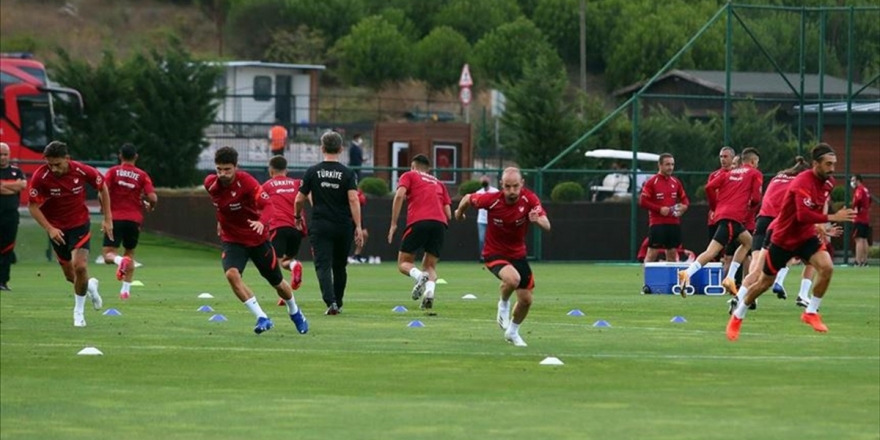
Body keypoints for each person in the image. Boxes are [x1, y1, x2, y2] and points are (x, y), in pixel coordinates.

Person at [726, 143, 856, 341]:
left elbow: (814, 209)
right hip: (783, 238)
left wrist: (820, 226)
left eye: (834, 164)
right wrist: (832, 217)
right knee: (764, 282)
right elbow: (802, 215)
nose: (832, 168)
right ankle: (738, 314)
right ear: (816, 164)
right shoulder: (801, 182)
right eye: (828, 164)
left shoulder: (829, 183)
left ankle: (810, 312)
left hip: (805, 237)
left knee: (827, 267)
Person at [205, 146, 308, 335]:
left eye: (227, 169)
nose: (222, 174)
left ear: (236, 167)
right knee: (232, 275)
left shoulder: (247, 182)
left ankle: (295, 311)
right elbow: (221, 206)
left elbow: (268, 205)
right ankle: (262, 317)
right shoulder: (210, 184)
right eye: (219, 169)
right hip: (232, 239)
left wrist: (262, 222)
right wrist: (220, 221)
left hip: (257, 239)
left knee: (277, 283)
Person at [454, 167, 551, 347]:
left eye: (515, 186)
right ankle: (503, 303)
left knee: (526, 300)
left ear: (522, 184)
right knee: (513, 279)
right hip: (494, 252)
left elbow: (547, 225)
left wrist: (537, 220)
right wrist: (459, 213)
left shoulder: (529, 199)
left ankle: (512, 332)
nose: (511, 191)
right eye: (507, 187)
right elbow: (468, 198)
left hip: (518, 254)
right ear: (501, 185)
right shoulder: (491, 200)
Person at [27, 141, 109, 327]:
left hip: (79, 225)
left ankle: (78, 313)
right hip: (57, 230)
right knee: (71, 276)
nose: (54, 168)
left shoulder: (81, 170)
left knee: (80, 267)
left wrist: (108, 218)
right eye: (50, 164)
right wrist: (50, 228)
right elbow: (33, 206)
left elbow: (102, 186)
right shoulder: (41, 177)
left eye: (57, 164)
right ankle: (91, 287)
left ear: (67, 158)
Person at [726, 156, 811, 313]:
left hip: (762, 221)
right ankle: (802, 294)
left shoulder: (776, 178)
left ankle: (739, 297)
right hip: (779, 224)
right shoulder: (799, 183)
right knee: (810, 258)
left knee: (756, 268)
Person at [294, 131, 364, 315]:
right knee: (340, 266)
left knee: (323, 265)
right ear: (341, 149)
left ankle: (330, 302)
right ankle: (338, 303)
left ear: (322, 148)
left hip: (320, 225)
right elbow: (353, 199)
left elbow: (299, 199)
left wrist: (297, 217)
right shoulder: (348, 173)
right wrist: (358, 226)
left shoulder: (312, 171)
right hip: (343, 225)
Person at [679, 147, 762, 297]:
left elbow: (709, 187)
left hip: (726, 216)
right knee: (712, 252)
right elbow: (756, 198)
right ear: (753, 161)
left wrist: (715, 207)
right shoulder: (755, 173)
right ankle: (687, 273)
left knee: (748, 242)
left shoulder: (728, 174)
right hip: (733, 217)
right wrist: (749, 205)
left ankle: (730, 278)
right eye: (757, 162)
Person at [387, 154, 452, 314]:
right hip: (440, 224)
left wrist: (393, 223)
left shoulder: (409, 175)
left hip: (419, 221)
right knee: (430, 266)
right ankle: (429, 291)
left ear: (412, 166)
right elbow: (449, 214)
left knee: (403, 263)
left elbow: (399, 195)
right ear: (428, 169)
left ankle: (419, 276)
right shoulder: (439, 183)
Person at [101, 143, 158, 300]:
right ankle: (125, 291)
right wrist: (151, 206)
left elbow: (101, 192)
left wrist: (105, 212)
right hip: (134, 220)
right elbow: (153, 197)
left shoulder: (113, 172)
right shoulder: (142, 175)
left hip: (115, 218)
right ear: (136, 157)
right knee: (130, 253)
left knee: (107, 255)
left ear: (120, 155)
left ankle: (119, 260)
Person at [261, 155, 306, 292]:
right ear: (286, 170)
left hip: (278, 226)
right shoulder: (297, 183)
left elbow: (259, 205)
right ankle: (294, 265)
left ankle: (285, 293)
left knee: (276, 263)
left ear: (271, 171)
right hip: (296, 227)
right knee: (288, 260)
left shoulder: (267, 186)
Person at [639, 153, 689, 262]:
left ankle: (670, 274)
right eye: (667, 164)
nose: (670, 167)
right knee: (652, 254)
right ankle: (647, 274)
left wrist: (684, 207)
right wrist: (659, 209)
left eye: (672, 164)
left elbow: (684, 199)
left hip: (673, 223)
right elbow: (643, 201)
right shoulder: (652, 182)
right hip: (657, 223)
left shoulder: (676, 182)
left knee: (672, 254)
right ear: (660, 165)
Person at [0, 142, 27, 291]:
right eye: (0, 155)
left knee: (7, 248)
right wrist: (13, 186)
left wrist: (4, 185)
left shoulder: (17, 171)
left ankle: (3, 281)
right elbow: (15, 187)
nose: (3, 157)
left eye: (5, 154)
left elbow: (22, 186)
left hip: (11, 216)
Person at [707, 146, 736, 259]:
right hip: (715, 217)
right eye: (721, 157)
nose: (722, 159)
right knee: (713, 253)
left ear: (732, 158)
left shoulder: (737, 175)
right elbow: (709, 191)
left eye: (725, 156)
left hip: (731, 216)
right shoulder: (714, 175)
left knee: (731, 253)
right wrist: (714, 209)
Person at [474, 175, 499, 260]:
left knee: (494, 239)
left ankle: (494, 255)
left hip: (493, 220)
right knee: (482, 239)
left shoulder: (495, 191)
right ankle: (483, 256)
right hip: (482, 220)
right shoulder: (478, 192)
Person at [851, 174, 872, 267]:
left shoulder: (859, 190)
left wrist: (856, 209)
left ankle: (858, 261)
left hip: (859, 218)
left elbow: (857, 200)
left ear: (858, 180)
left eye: (853, 180)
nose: (852, 182)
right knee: (864, 239)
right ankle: (865, 261)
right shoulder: (866, 189)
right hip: (865, 218)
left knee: (858, 239)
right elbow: (869, 200)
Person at [349, 188, 370, 264]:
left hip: (357, 217)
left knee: (364, 234)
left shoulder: (357, 190)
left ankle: (356, 255)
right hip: (345, 216)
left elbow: (362, 200)